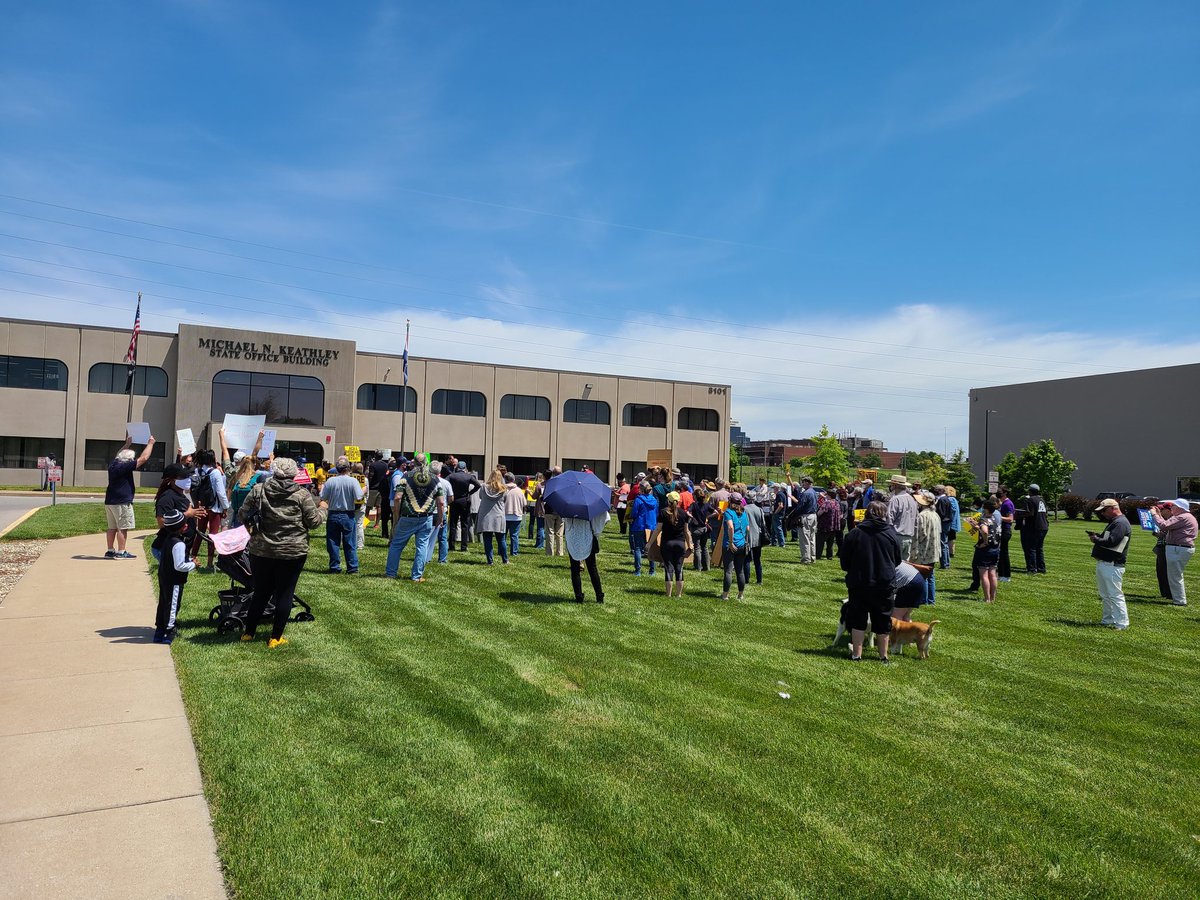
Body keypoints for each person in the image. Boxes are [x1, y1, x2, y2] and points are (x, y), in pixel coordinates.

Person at [238, 457, 327, 648]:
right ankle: (276, 637)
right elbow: (314, 522)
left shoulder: (258, 489)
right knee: (285, 593)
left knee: (260, 591)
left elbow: (242, 514)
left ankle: (248, 633)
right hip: (292, 551)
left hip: (261, 550)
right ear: (294, 474)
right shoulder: (302, 495)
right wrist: (322, 510)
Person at [839, 500, 901, 662]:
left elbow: (844, 563)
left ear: (866, 514)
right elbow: (897, 560)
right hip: (884, 583)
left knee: (857, 618)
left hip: (859, 583)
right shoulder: (891, 533)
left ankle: (856, 655)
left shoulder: (854, 533)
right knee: (883, 619)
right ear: (884, 515)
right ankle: (883, 656)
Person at [386, 458, 443, 581]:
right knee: (422, 546)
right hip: (426, 517)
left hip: (407, 517)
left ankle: (391, 573)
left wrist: (396, 516)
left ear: (414, 464)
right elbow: (441, 502)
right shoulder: (435, 478)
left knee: (396, 545)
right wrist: (440, 518)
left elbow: (397, 497)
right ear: (426, 463)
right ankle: (416, 576)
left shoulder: (406, 477)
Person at [104, 433, 156, 559]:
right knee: (123, 528)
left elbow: (119, 454)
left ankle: (110, 551)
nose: (133, 461)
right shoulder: (124, 466)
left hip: (110, 501)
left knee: (112, 527)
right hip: (122, 501)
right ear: (129, 460)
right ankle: (121, 552)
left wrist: (127, 445)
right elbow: (143, 458)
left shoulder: (114, 465)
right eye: (132, 459)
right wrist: (150, 444)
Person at [150, 509, 195, 644]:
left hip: (164, 576)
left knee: (163, 603)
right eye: (184, 524)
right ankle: (169, 632)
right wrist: (193, 564)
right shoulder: (179, 544)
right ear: (180, 528)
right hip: (174, 580)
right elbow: (180, 566)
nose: (186, 525)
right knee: (172, 604)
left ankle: (159, 631)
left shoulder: (167, 540)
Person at [1089, 498, 1131, 629]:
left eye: (1104, 510)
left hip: (1112, 564)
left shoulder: (1120, 523)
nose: (1102, 513)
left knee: (1115, 595)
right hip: (1106, 563)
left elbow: (1113, 541)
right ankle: (1108, 619)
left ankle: (1122, 623)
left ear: (1113, 508)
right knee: (1105, 595)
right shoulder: (1115, 522)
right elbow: (1109, 539)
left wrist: (1096, 539)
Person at [153, 463, 207, 561]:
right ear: (173, 480)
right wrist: (187, 514)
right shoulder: (167, 497)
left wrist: (195, 513)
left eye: (188, 476)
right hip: (166, 547)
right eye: (183, 477)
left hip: (180, 547)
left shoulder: (180, 494)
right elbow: (162, 522)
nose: (188, 479)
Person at [320, 457, 364, 574]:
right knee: (350, 542)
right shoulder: (353, 481)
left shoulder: (330, 481)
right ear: (348, 468)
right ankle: (352, 567)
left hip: (333, 514)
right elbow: (359, 497)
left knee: (333, 542)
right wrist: (364, 490)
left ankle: (334, 567)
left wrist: (322, 487)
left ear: (337, 469)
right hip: (348, 514)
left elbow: (323, 497)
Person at [1151, 498, 1196, 607]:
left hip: (1178, 548)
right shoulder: (1186, 517)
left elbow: (1163, 526)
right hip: (1181, 548)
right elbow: (1167, 526)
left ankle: (1179, 601)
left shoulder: (1182, 517)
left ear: (1180, 507)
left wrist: (1154, 515)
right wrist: (1159, 515)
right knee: (1175, 575)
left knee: (1175, 576)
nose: (1172, 508)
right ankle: (1178, 599)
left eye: (1173, 506)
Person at [189, 450, 228, 572]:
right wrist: (225, 507)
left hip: (202, 506)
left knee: (199, 533)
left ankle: (193, 558)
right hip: (214, 507)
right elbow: (221, 493)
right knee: (213, 535)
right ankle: (210, 563)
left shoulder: (198, 471)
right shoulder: (215, 472)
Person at [564, 510, 608, 603]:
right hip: (587, 536)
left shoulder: (569, 504)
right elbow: (603, 518)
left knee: (575, 569)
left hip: (574, 537)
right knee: (592, 568)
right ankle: (599, 596)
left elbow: (565, 520)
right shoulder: (590, 505)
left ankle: (579, 596)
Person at [910, 490, 941, 606]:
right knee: (930, 576)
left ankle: (924, 600)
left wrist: (913, 552)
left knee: (923, 576)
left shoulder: (922, 516)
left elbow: (919, 534)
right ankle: (931, 600)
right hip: (933, 550)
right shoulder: (935, 514)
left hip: (924, 550)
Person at [659, 491, 692, 597]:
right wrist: (690, 544)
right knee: (679, 567)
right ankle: (678, 594)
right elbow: (686, 531)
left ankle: (668, 594)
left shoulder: (663, 512)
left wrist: (650, 543)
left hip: (667, 543)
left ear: (668, 501)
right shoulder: (684, 513)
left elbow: (658, 529)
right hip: (680, 543)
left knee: (668, 568)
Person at [718, 493, 750, 601]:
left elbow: (730, 527)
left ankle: (725, 595)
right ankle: (740, 594)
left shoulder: (728, 512)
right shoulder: (744, 513)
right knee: (740, 571)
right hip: (742, 545)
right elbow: (748, 528)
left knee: (728, 571)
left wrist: (731, 542)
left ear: (731, 501)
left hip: (730, 545)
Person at [476, 470, 510, 565]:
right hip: (499, 516)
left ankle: (490, 561)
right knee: (501, 540)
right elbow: (505, 500)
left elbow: (480, 497)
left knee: (487, 540)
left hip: (486, 516)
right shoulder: (504, 489)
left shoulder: (483, 487)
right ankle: (505, 560)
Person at [1015, 483, 1050, 574]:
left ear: (1030, 491)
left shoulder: (1030, 500)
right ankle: (1041, 568)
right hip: (1044, 526)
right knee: (1039, 548)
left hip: (1035, 527)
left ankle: (1032, 569)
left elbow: (1030, 513)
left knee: (1031, 548)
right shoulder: (1042, 500)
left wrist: (1018, 514)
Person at [973, 498, 1001, 603]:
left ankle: (987, 598)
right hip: (995, 548)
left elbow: (985, 531)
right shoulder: (995, 519)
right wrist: (976, 526)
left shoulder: (983, 520)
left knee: (984, 574)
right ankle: (993, 598)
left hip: (985, 550)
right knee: (993, 573)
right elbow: (988, 529)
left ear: (986, 509)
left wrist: (984, 542)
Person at [630, 479, 659, 576]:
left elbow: (634, 513)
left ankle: (637, 570)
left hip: (639, 525)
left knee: (638, 548)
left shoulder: (638, 500)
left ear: (641, 489)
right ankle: (652, 570)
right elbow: (656, 513)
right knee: (650, 548)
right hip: (651, 526)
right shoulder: (654, 500)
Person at [886, 475, 918, 558]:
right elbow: (916, 519)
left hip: (896, 536)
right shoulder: (912, 500)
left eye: (891, 484)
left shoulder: (895, 499)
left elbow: (889, 519)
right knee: (904, 566)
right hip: (909, 537)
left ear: (895, 485)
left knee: (893, 564)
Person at [742, 490, 766, 585]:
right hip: (757, 536)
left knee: (747, 559)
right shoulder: (759, 509)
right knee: (757, 560)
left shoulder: (744, 509)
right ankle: (759, 580)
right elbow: (763, 524)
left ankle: (746, 579)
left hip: (747, 536)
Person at [542, 466, 566, 557]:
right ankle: (560, 552)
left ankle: (550, 552)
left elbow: (545, 496)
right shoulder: (564, 483)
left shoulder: (550, 483)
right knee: (559, 533)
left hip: (550, 509)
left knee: (550, 532)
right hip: (560, 510)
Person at [794, 476, 819, 564]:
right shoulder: (814, 492)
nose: (802, 484)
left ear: (807, 483)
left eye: (803, 482)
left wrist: (794, 515)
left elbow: (800, 506)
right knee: (812, 538)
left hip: (806, 516)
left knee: (804, 538)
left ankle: (806, 559)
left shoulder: (806, 493)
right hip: (813, 516)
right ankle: (812, 558)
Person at [688, 487, 712, 572]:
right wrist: (707, 518)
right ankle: (707, 567)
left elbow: (687, 512)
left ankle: (698, 567)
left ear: (695, 496)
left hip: (696, 529)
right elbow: (716, 512)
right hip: (704, 529)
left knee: (697, 548)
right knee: (704, 547)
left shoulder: (694, 505)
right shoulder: (706, 504)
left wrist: (693, 518)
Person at [996, 486, 1016, 581]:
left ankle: (1006, 575)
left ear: (1005, 493)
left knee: (1004, 553)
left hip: (1005, 530)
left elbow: (1010, 519)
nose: (998, 493)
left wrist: (998, 517)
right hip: (1001, 530)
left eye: (1000, 491)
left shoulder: (1008, 504)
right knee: (1000, 553)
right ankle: (1001, 574)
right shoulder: (1002, 503)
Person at [816, 488, 842, 560]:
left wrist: (817, 513)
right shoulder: (837, 503)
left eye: (826, 494)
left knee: (820, 541)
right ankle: (829, 556)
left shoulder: (826, 503)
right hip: (834, 526)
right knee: (830, 543)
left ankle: (818, 555)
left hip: (825, 525)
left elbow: (820, 513)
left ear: (829, 496)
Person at [503, 473, 526, 555]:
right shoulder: (519, 491)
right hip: (516, 516)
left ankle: (502, 551)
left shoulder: (503, 489)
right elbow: (524, 504)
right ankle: (514, 552)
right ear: (513, 479)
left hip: (504, 515)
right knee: (514, 536)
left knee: (503, 536)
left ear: (505, 479)